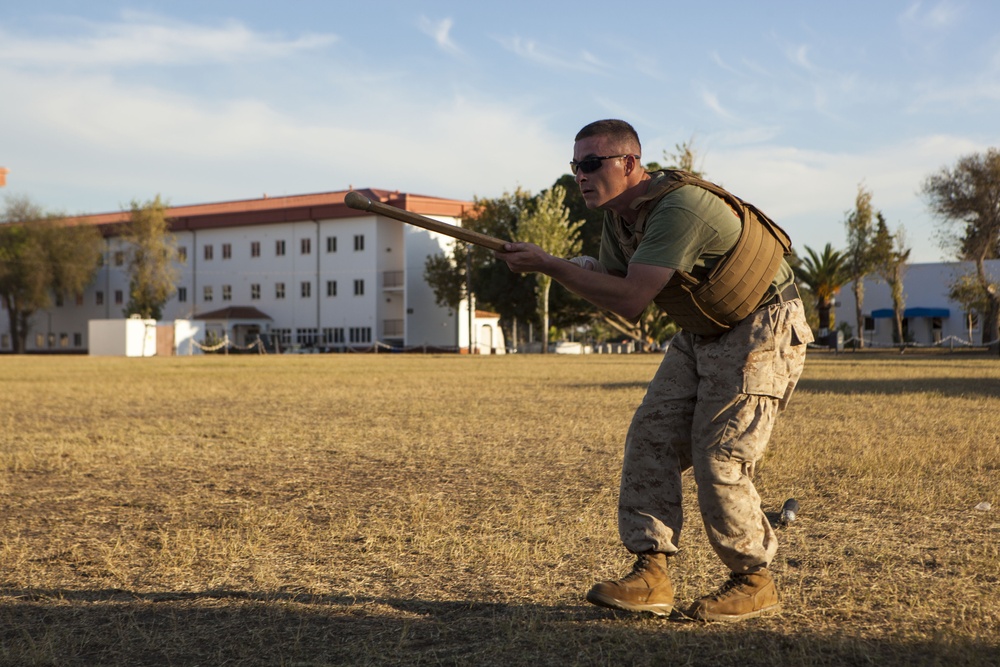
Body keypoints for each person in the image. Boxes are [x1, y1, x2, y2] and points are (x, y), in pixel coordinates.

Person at [495, 119, 813, 622]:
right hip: (701, 329)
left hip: (762, 325)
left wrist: (550, 268)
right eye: (575, 165)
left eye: (593, 163)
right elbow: (617, 276)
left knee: (720, 455)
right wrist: (554, 261)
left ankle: (754, 580)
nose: (581, 174)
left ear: (629, 163)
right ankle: (652, 573)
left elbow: (630, 300)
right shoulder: (619, 219)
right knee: (650, 437)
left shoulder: (677, 208)